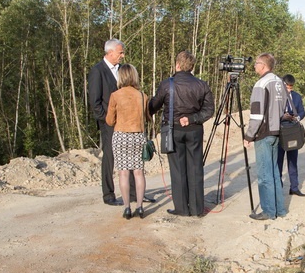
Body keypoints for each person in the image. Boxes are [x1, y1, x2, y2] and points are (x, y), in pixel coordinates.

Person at [87, 39, 156, 206]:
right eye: (120, 52)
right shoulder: (98, 71)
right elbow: (95, 102)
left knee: (134, 158)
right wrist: (108, 120)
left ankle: (134, 194)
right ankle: (108, 195)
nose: (122, 55)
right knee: (110, 158)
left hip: (128, 123)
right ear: (110, 52)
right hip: (110, 123)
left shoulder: (122, 71)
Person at [149, 50, 214, 217]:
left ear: (177, 65)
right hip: (194, 130)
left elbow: (154, 105)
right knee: (195, 168)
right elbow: (209, 110)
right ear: (192, 66)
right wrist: (192, 118)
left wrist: (144, 106)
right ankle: (197, 209)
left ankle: (181, 208)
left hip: (173, 130)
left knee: (178, 169)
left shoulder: (166, 84)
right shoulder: (202, 85)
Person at [243, 53, 289, 220]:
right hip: (277, 132)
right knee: (275, 172)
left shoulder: (261, 84)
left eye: (256, 64)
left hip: (263, 133)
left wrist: (248, 136)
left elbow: (256, 114)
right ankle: (280, 209)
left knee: (264, 175)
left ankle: (269, 211)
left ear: (263, 65)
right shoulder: (279, 82)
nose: (254, 66)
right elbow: (284, 108)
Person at [105, 64, 150, 219]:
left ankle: (126, 208)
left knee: (123, 173)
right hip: (138, 136)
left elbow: (110, 121)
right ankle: (140, 207)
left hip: (121, 136)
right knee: (139, 173)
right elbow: (148, 117)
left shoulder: (115, 95)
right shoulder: (142, 95)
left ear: (121, 77)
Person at [278, 74, 305, 197]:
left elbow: (302, 111)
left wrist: (297, 117)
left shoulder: (296, 97)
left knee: (293, 160)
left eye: (291, 87)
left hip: (293, 130)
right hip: (280, 131)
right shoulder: (277, 98)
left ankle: (294, 187)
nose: (289, 90)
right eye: (287, 87)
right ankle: (278, 187)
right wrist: (282, 116)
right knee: (278, 161)